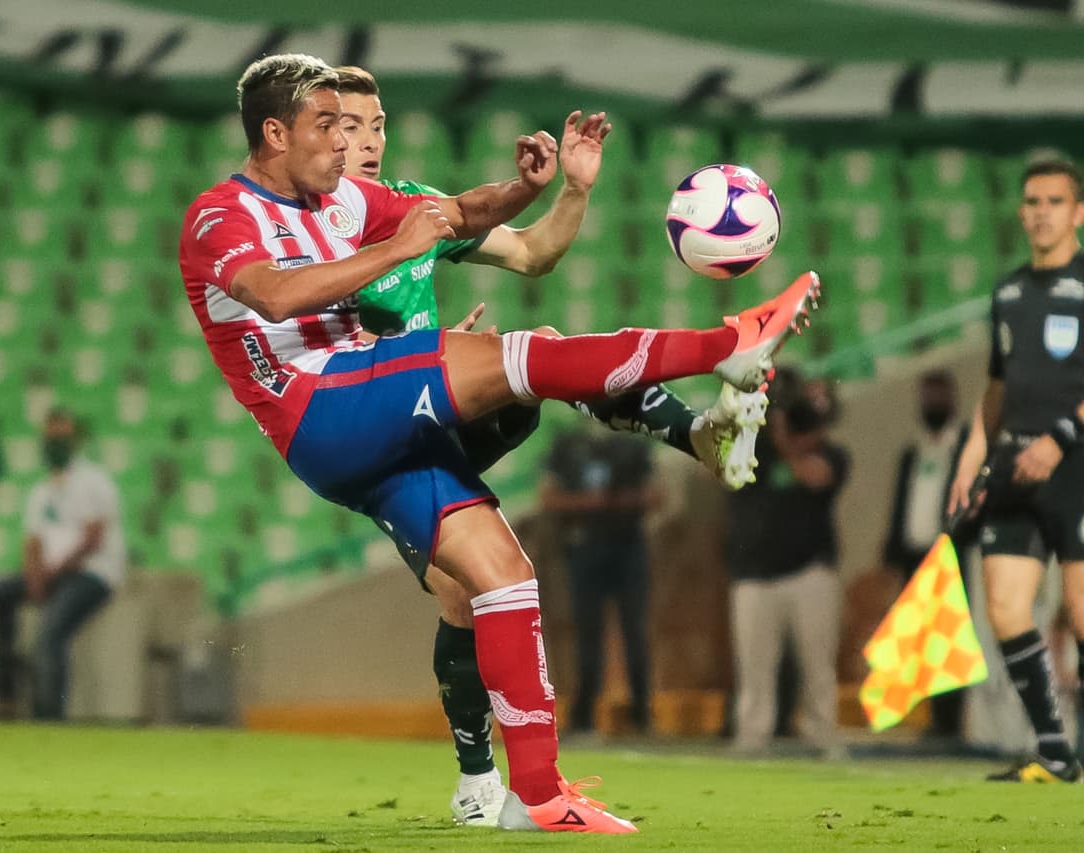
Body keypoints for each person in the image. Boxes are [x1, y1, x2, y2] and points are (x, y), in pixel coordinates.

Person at [178, 53, 819, 834]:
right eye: (329, 128)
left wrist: (528, 189)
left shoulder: (346, 198)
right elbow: (275, 293)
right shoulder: (222, 214)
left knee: (502, 577)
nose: (349, 146)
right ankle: (728, 345)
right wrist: (398, 249)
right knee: (528, 354)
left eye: (362, 130)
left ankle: (540, 796)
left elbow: (454, 214)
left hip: (375, 417)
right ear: (275, 133)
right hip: (322, 407)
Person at [333, 65, 768, 825]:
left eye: (375, 126)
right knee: (461, 591)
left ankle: (696, 432)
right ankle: (478, 778)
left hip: (439, 406)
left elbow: (535, 256)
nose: (366, 142)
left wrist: (573, 189)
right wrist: (409, 352)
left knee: (545, 355)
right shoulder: (306, 227)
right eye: (347, 127)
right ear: (310, 131)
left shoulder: (414, 210)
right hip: (373, 426)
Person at [948, 158, 1084, 783]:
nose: (1041, 211)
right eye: (1032, 201)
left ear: (1078, 212)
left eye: (1054, 201)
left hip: (1076, 467)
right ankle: (1055, 749)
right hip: (1014, 468)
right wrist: (971, 459)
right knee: (1005, 607)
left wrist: (1062, 437)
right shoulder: (1007, 293)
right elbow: (996, 389)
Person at [724, 369, 848, 759]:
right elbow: (720, 469)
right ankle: (752, 737)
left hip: (809, 573)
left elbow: (816, 476)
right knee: (754, 669)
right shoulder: (749, 448)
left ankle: (822, 735)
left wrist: (783, 434)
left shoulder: (831, 453)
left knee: (818, 666)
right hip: (754, 574)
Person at [0, 408, 125, 720]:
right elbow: (32, 541)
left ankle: (49, 715)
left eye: (61, 437)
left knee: (52, 629)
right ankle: (3, 692)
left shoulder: (94, 482)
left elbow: (94, 538)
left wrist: (53, 572)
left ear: (75, 440)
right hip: (53, 574)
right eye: (50, 437)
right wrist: (34, 575)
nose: (54, 443)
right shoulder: (41, 491)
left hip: (92, 573)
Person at [541, 424, 660, 736]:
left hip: (627, 546)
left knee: (634, 630)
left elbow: (655, 495)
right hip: (585, 548)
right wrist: (589, 504)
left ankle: (641, 713)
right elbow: (549, 498)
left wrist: (610, 503)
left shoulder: (632, 443)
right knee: (587, 633)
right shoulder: (569, 443)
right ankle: (583, 714)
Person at [882, 368, 970, 741]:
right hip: (913, 557)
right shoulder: (912, 452)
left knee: (950, 640)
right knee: (923, 641)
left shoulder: (963, 448)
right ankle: (936, 719)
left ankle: (954, 725)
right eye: (926, 396)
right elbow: (901, 505)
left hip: (950, 555)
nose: (931, 404)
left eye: (938, 396)